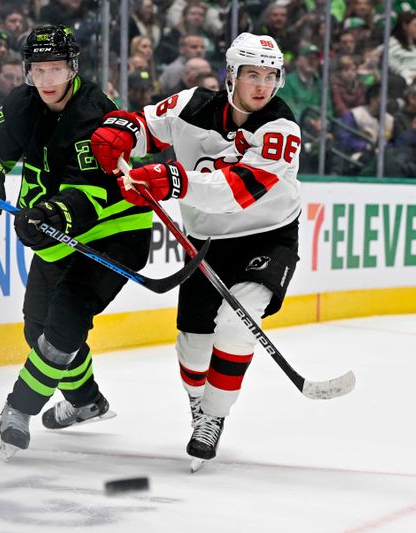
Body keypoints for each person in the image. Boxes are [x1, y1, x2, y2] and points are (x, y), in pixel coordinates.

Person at [89, 32, 302, 467]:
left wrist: (173, 180)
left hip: (268, 234)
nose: (262, 85)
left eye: (270, 76)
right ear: (231, 75)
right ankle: (198, 403)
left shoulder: (282, 129)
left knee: (237, 322)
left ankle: (214, 418)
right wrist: (120, 135)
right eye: (252, 74)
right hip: (206, 241)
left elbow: (240, 190)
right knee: (192, 345)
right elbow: (143, 124)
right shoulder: (191, 105)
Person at [0, 25, 153, 460]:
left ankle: (18, 409)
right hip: (56, 235)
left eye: (57, 69)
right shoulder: (24, 102)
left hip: (113, 234)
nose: (47, 80)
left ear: (73, 68)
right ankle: (87, 402)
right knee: (37, 329)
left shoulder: (94, 112)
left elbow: (94, 190)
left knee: (64, 322)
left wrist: (54, 212)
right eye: (38, 70)